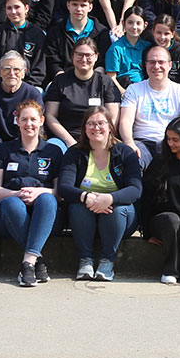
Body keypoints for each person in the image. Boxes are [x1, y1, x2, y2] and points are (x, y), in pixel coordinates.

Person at [57, 107, 143, 281]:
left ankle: (107, 261)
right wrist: (87, 197)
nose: (96, 128)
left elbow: (135, 189)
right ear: (84, 128)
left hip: (119, 215)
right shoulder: (74, 153)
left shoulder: (125, 152)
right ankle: (85, 260)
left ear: (110, 126)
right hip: (85, 210)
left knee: (117, 210)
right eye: (91, 124)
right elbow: (64, 186)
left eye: (101, 123)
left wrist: (110, 198)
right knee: (77, 207)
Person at [0, 98, 63, 287]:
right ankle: (37, 258)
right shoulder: (4, 149)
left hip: (46, 216)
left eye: (33, 119)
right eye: (24, 119)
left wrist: (39, 192)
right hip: (8, 216)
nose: (29, 124)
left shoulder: (53, 151)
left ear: (42, 121)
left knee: (47, 199)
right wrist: (15, 194)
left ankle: (28, 262)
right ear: (17, 121)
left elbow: (60, 191)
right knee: (12, 203)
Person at [119, 46, 180, 166]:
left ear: (170, 65)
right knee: (133, 160)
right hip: (142, 143)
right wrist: (129, 143)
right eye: (152, 62)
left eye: (161, 62)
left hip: (171, 144)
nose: (156, 66)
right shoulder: (134, 89)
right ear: (146, 65)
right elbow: (125, 121)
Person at [44, 38, 122, 152]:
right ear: (72, 56)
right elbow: (50, 115)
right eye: (79, 55)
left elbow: (113, 118)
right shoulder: (60, 81)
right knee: (51, 149)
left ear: (96, 57)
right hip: (65, 138)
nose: (84, 59)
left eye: (88, 55)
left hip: (99, 136)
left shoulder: (105, 82)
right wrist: (70, 142)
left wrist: (99, 138)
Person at [0, 51, 44, 162]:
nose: (11, 73)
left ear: (24, 72)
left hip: (24, 145)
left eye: (16, 70)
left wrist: (16, 146)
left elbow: (36, 128)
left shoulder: (33, 94)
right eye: (7, 69)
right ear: (0, 71)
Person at [46, 0, 112, 78]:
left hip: (93, 80)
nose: (78, 9)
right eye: (74, 4)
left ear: (90, 7)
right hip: (63, 79)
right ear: (68, 5)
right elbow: (53, 62)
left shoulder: (102, 32)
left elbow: (102, 62)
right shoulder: (55, 32)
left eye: (83, 5)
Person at [0, 0, 49, 87]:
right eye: (9, 8)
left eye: (17, 7)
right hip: (2, 84)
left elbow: (39, 68)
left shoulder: (37, 33)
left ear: (26, 8)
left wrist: (24, 87)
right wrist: (7, 84)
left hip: (29, 85)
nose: (13, 11)